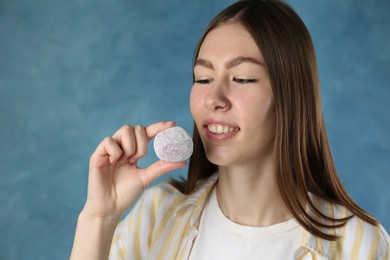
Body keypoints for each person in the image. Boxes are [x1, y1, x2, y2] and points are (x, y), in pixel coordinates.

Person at [70, 0, 390, 259]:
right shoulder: (158, 212)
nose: (213, 98)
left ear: (292, 96)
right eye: (203, 78)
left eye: (242, 79)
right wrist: (99, 218)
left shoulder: (359, 244)